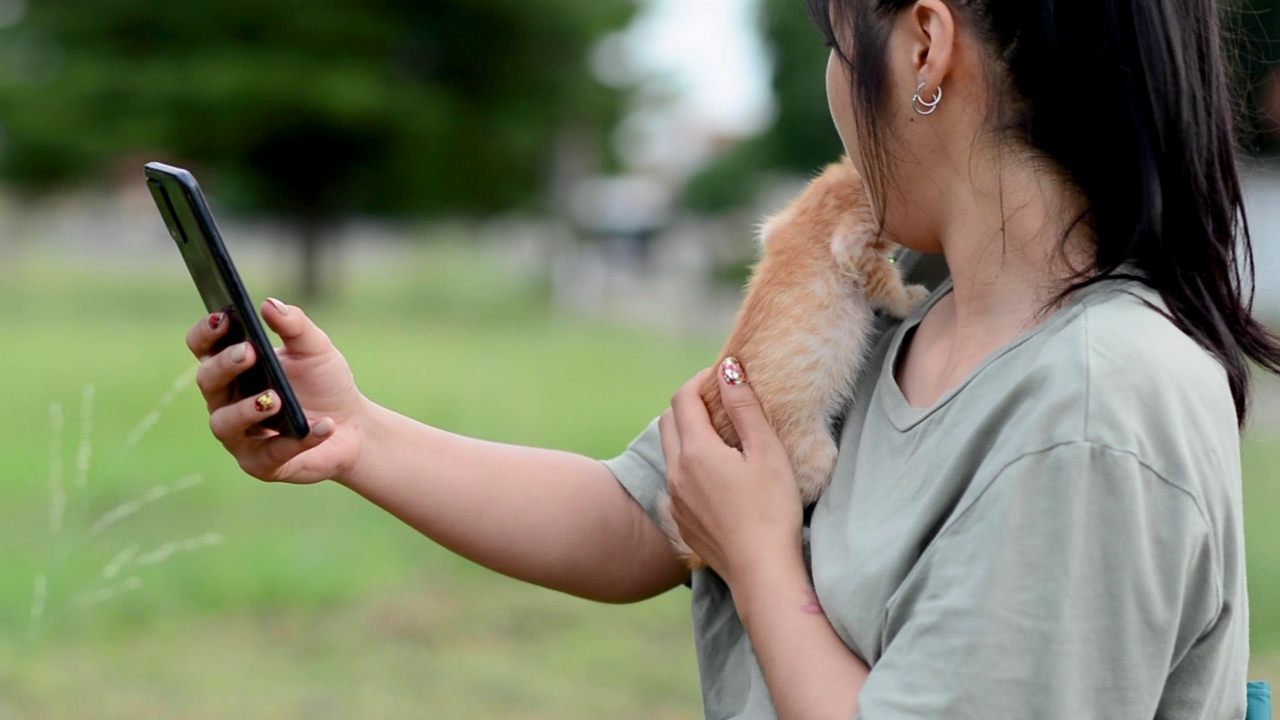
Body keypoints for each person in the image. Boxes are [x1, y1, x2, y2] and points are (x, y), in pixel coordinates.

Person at [185, 0, 1279, 717]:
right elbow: (640, 519)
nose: (827, 90)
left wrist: (761, 563)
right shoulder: (892, 331)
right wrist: (359, 434)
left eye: (829, 45)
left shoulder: (1091, 404)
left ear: (923, 48)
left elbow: (730, 535)